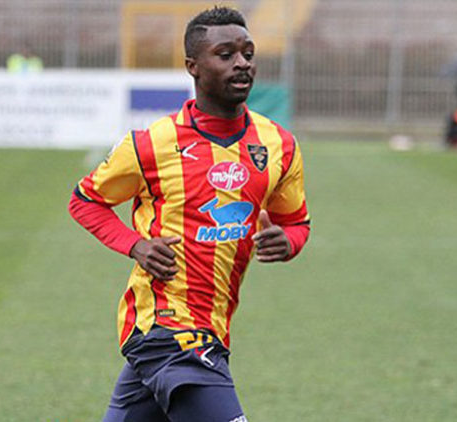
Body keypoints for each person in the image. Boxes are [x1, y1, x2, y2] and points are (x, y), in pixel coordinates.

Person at [68, 6, 310, 421]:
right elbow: (85, 200)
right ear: (193, 66)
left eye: (248, 53)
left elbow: (296, 222)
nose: (242, 63)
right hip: (167, 329)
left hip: (212, 328)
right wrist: (136, 245)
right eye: (226, 54)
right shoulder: (152, 143)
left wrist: (287, 241)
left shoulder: (278, 145)